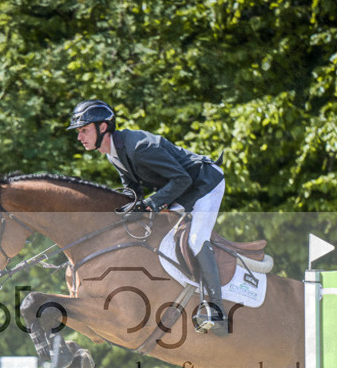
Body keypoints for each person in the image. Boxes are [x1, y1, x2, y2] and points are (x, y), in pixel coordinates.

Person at [67, 99, 228, 335]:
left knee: (195, 240)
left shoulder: (139, 147)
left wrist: (150, 204)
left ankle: (216, 310)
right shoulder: (112, 153)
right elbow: (133, 190)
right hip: (183, 187)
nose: (79, 137)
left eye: (84, 130)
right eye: (79, 132)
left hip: (205, 184)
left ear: (102, 128)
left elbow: (182, 179)